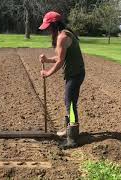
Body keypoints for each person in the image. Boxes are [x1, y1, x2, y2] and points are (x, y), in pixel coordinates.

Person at [38, 11, 85, 148]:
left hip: (75, 74)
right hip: (75, 73)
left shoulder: (62, 37)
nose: (47, 30)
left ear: (54, 25)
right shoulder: (65, 33)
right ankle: (69, 130)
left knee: (70, 103)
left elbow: (59, 62)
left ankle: (72, 139)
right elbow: (60, 58)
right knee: (68, 100)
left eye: (48, 26)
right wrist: (47, 60)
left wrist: (47, 73)